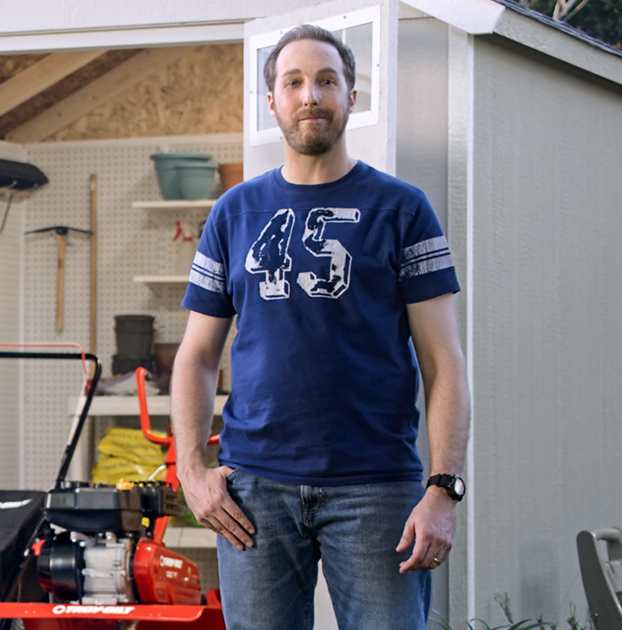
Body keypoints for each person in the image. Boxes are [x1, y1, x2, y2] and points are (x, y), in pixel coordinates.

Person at [172, 24, 471, 629]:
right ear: (273, 102)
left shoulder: (403, 209)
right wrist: (191, 470)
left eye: (327, 80)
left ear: (351, 97)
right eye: (294, 82)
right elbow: (197, 356)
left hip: (376, 489)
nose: (311, 95)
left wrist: (443, 489)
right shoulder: (234, 212)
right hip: (253, 491)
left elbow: (445, 364)